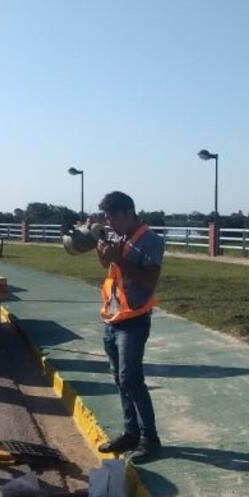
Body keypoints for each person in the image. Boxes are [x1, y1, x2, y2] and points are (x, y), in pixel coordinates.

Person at [90, 191, 165, 464]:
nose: (109, 222)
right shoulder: (119, 237)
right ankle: (131, 432)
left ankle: (150, 439)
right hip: (114, 318)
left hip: (133, 320)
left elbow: (149, 279)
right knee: (120, 380)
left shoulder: (151, 240)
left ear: (127, 212)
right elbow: (108, 266)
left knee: (132, 380)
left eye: (112, 217)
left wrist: (119, 259)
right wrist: (104, 251)